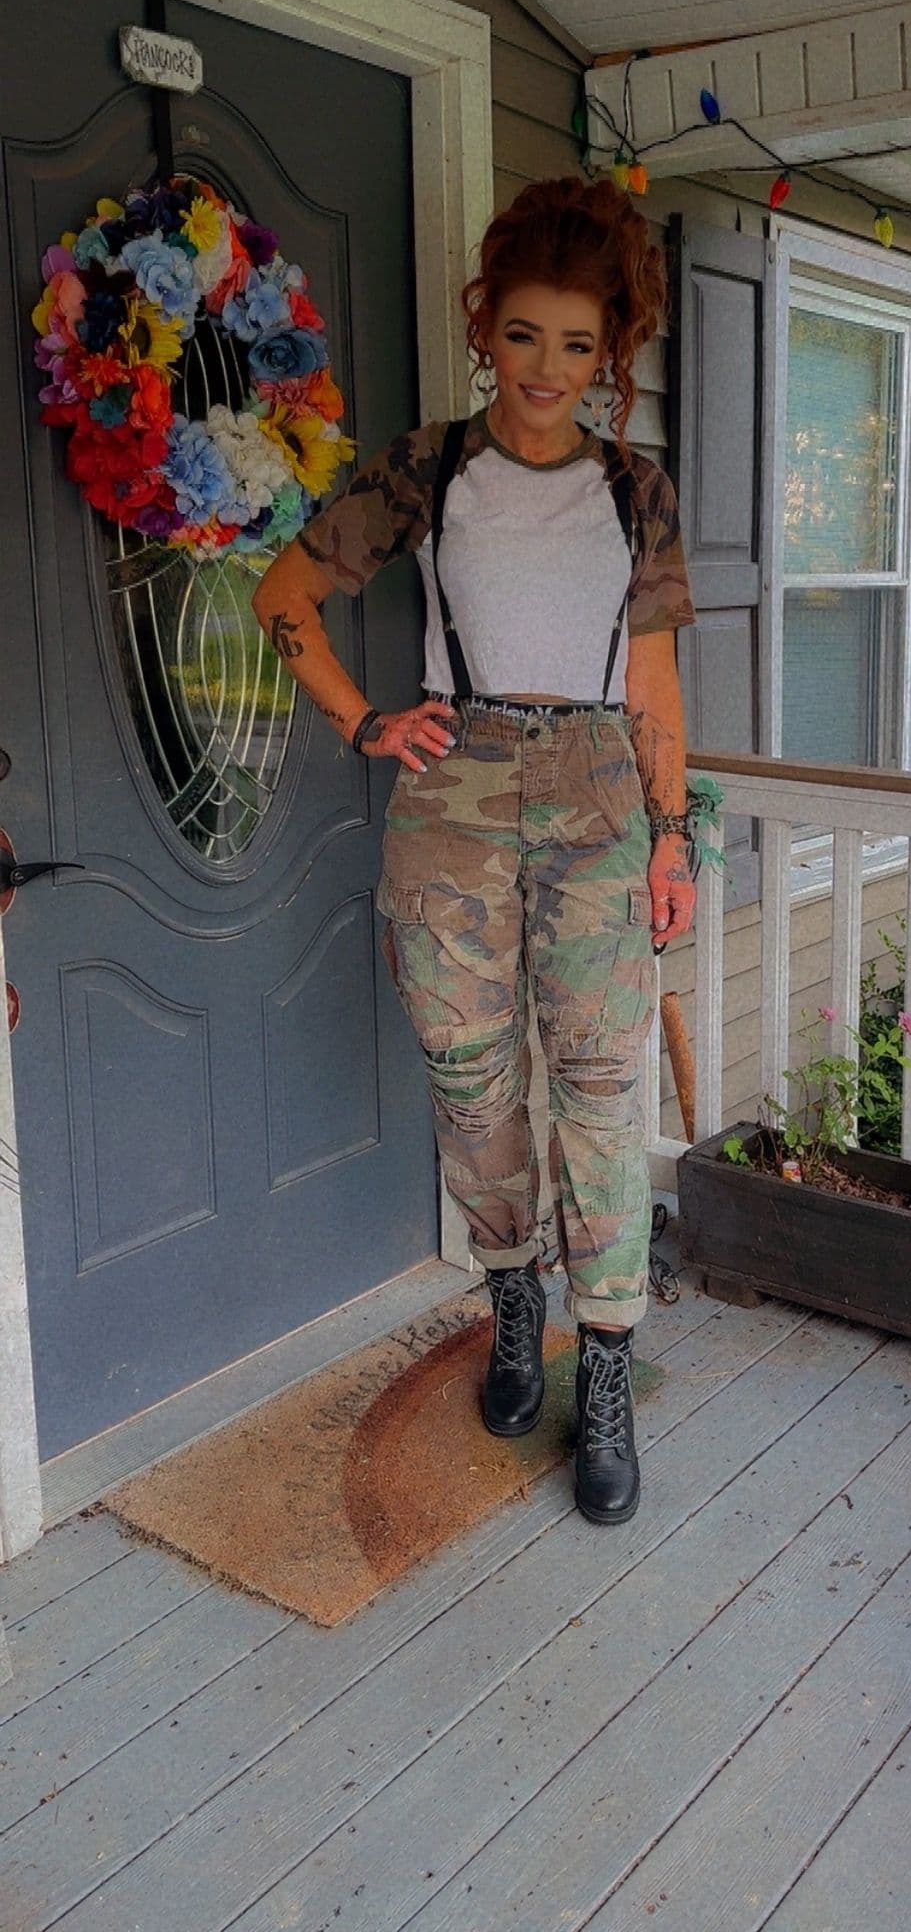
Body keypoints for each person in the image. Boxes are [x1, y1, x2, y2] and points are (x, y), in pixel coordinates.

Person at [251, 175, 698, 1527]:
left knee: (602, 1084)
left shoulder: (634, 488)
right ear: (482, 327)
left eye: (578, 344)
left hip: (601, 794)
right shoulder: (426, 469)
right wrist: (363, 720)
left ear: (609, 349)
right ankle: (515, 1302)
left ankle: (603, 1360)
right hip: (456, 788)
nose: (547, 370)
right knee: (469, 1070)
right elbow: (283, 593)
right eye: (522, 336)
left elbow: (658, 690)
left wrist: (672, 840)